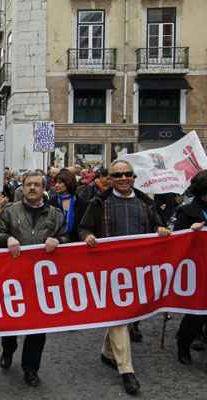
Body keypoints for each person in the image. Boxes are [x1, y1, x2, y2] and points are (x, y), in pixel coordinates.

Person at [78, 159, 170, 396]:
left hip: (138, 271)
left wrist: (161, 230)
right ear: (110, 178)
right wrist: (87, 236)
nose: (122, 178)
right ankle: (126, 370)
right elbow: (84, 228)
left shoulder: (146, 203)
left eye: (126, 174)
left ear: (133, 177)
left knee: (126, 316)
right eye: (117, 175)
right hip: (110, 271)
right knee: (119, 315)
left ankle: (108, 352)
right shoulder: (99, 202)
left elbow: (158, 228)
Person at [0, 170, 68, 387]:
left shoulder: (55, 214)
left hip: (41, 282)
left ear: (44, 188)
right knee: (11, 322)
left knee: (38, 326)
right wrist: (7, 238)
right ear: (22, 188)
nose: (32, 188)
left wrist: (58, 240)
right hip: (13, 279)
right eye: (28, 185)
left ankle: (31, 368)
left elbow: (67, 236)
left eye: (36, 184)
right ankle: (8, 348)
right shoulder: (9, 211)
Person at [173, 170, 207, 365]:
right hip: (196, 268)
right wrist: (190, 231)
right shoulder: (187, 211)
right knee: (197, 312)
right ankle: (183, 344)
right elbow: (176, 239)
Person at [48, 169, 87, 242]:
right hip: (56, 243)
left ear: (68, 183)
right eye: (56, 182)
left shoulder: (81, 203)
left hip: (77, 243)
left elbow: (84, 226)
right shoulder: (52, 203)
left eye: (59, 183)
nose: (56, 185)